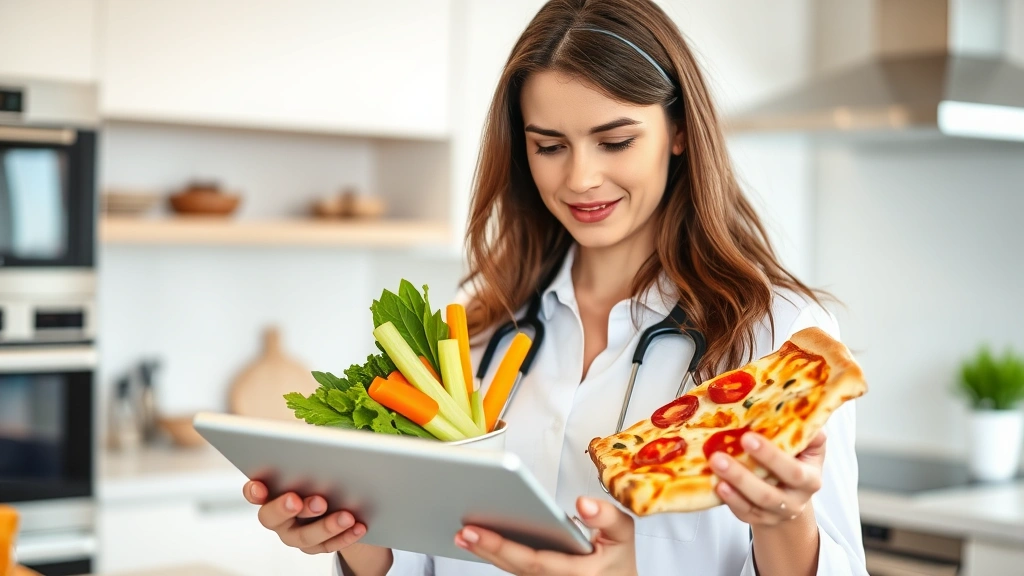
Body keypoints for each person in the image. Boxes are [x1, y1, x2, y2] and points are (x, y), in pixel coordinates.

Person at [242, 1, 867, 574]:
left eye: (615, 141)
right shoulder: (481, 334)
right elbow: (430, 561)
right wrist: (354, 536)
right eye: (549, 146)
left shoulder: (780, 335)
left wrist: (782, 519)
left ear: (679, 133)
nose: (581, 178)